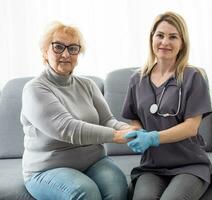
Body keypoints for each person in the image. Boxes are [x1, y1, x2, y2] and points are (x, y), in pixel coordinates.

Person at [21, 21, 132, 200]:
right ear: (45, 51)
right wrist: (116, 136)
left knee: (117, 188)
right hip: (48, 169)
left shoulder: (88, 85)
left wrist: (129, 130)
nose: (65, 54)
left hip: (94, 162)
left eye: (73, 48)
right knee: (86, 192)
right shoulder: (34, 89)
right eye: (58, 47)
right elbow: (68, 129)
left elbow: (107, 120)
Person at [122, 11, 212, 200]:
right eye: (160, 35)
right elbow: (134, 117)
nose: (165, 42)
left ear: (182, 43)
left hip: (189, 164)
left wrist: (154, 138)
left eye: (173, 37)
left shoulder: (193, 77)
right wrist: (139, 132)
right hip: (152, 165)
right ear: (152, 39)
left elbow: (191, 127)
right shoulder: (137, 79)